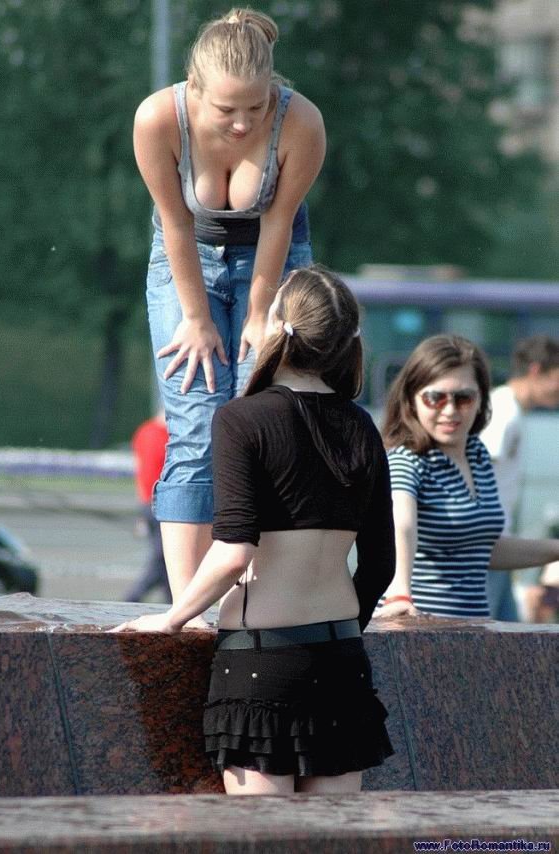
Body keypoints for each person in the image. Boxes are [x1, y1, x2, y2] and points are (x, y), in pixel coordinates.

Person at [112, 266, 396, 795]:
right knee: (333, 843)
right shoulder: (360, 425)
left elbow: (234, 551)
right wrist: (339, 624)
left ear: (277, 328)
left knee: (265, 842)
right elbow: (380, 563)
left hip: (262, 661)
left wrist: (171, 618)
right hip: (341, 658)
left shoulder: (244, 419)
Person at [135, 8, 326, 618]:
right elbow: (175, 224)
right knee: (195, 420)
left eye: (256, 106)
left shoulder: (301, 122)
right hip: (183, 261)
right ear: (195, 91)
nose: (243, 123)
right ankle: (186, 608)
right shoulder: (158, 118)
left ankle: (250, 598)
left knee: (261, 416)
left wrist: (258, 313)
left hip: (273, 260)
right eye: (226, 111)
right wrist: (195, 317)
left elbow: (276, 223)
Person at [374, 334, 559, 620]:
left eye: (463, 398)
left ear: (481, 399)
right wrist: (400, 592)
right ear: (412, 399)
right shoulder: (408, 459)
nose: (449, 410)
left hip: (471, 634)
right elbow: (402, 523)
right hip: (416, 633)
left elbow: (484, 548)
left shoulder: (477, 455)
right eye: (435, 398)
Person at [480, 335, 559, 622]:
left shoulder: (510, 409)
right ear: (536, 370)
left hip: (499, 544)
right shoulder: (504, 410)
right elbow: (479, 467)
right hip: (489, 548)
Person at [124, 411, 172, 604]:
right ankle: (132, 597)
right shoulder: (170, 435)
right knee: (162, 557)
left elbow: (139, 469)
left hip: (150, 502)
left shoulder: (144, 431)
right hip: (161, 502)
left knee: (166, 557)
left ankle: (175, 602)